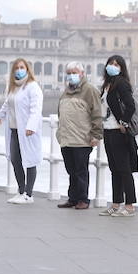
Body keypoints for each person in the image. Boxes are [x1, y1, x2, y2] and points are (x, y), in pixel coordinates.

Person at [0, 58, 43, 204]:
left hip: (28, 131)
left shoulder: (33, 86)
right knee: (16, 160)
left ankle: (29, 194)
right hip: (14, 129)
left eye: (22, 67)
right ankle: (21, 191)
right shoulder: (13, 87)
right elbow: (8, 102)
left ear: (27, 69)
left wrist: (31, 126)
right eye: (16, 68)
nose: (19, 70)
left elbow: (36, 108)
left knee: (30, 160)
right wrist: (1, 115)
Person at [55, 62, 102, 210]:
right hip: (66, 138)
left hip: (82, 139)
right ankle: (73, 197)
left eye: (74, 72)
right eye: (69, 72)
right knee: (71, 170)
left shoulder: (90, 90)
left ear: (82, 74)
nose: (71, 75)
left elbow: (97, 114)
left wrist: (96, 135)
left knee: (81, 171)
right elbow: (60, 112)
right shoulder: (65, 92)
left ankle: (83, 199)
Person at [99, 54, 138, 217]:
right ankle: (116, 204)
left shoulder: (122, 84)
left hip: (118, 132)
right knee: (114, 168)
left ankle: (129, 206)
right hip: (108, 130)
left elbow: (130, 105)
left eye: (117, 64)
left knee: (124, 169)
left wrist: (124, 122)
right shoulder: (107, 85)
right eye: (110, 63)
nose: (113, 66)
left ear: (122, 68)